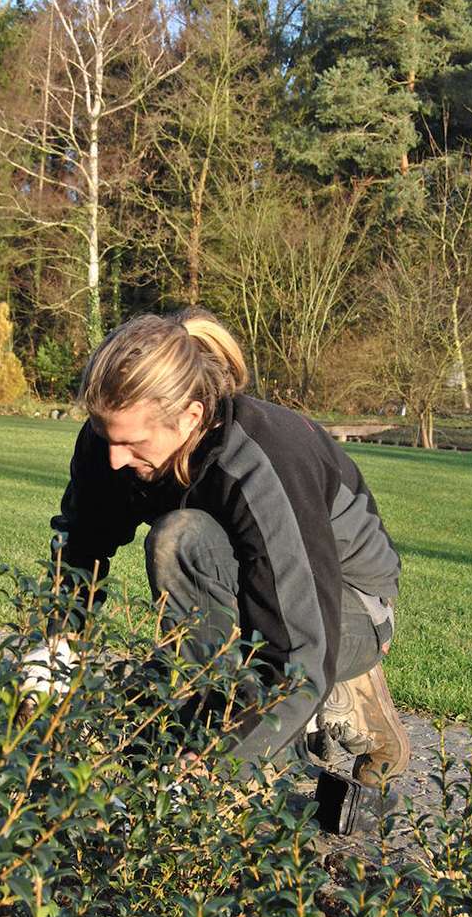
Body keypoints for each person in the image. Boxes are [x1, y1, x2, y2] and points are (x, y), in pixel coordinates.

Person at [21, 308, 410, 788]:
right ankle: (256, 717)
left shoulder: (264, 462)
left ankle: (325, 713)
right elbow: (82, 544)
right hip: (253, 582)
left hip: (350, 609)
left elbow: (301, 656)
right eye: (104, 435)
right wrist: (56, 646)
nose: (114, 458)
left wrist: (212, 766)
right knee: (185, 550)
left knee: (181, 539)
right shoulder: (113, 440)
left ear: (191, 417)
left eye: (132, 443)